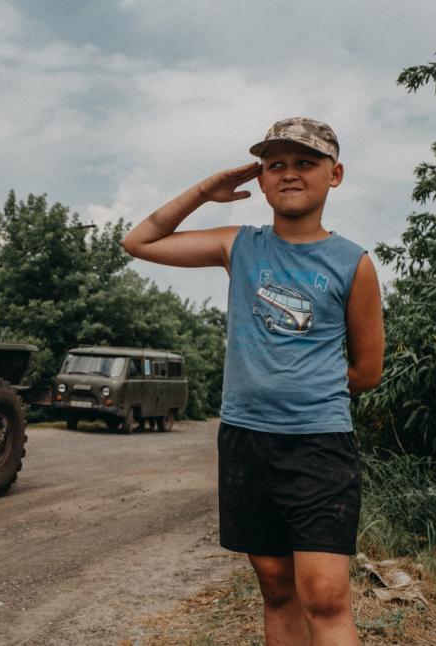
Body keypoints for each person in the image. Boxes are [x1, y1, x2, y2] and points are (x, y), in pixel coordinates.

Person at [122, 117, 384, 646]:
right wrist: (205, 191)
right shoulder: (238, 245)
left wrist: (306, 397)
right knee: (277, 589)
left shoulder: (352, 264)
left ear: (334, 175)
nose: (289, 174)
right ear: (260, 180)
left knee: (326, 596)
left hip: (319, 445)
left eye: (305, 163)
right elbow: (140, 241)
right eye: (275, 165)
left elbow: (367, 369)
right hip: (245, 442)